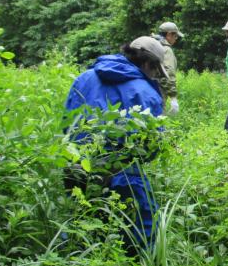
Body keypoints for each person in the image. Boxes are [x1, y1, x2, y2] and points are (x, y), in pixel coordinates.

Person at [63, 36, 165, 252]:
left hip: (76, 165)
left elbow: (67, 125)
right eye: (156, 71)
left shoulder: (83, 78)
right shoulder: (145, 92)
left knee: (78, 221)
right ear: (148, 64)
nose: (155, 76)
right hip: (122, 171)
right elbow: (152, 147)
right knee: (144, 226)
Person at [152, 21, 184, 116]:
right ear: (169, 34)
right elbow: (168, 72)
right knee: (158, 118)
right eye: (175, 36)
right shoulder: (166, 49)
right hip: (158, 89)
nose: (176, 38)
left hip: (146, 86)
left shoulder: (153, 45)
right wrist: (173, 96)